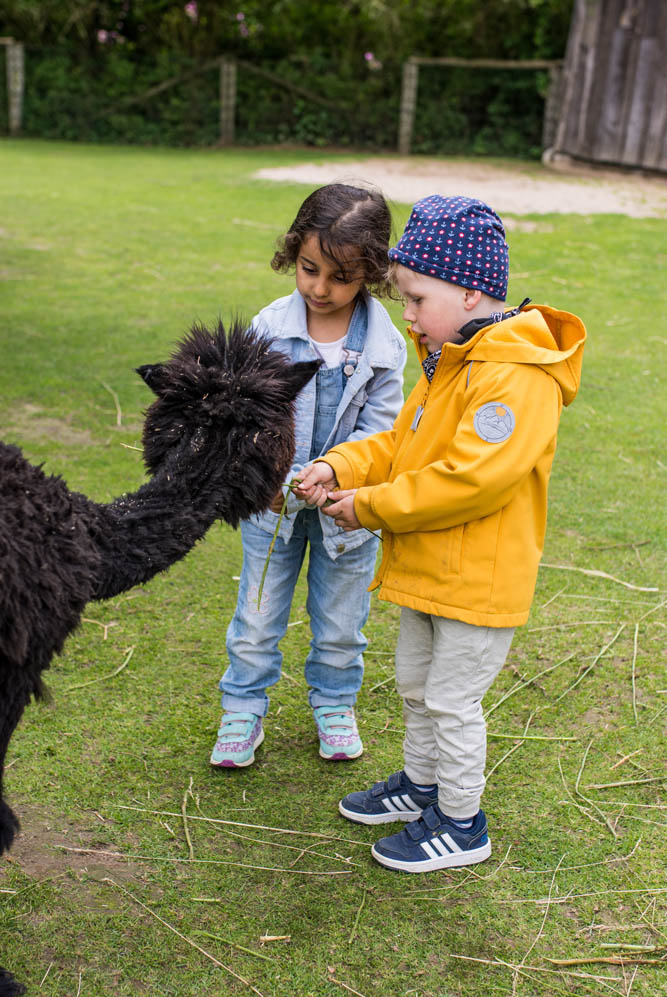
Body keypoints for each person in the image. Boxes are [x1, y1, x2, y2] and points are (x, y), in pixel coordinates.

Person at [295, 194, 586, 872]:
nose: (408, 313)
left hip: (476, 578)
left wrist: (369, 506)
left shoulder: (513, 378)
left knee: (452, 702)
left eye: (416, 297)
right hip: (431, 567)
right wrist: (339, 464)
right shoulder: (449, 355)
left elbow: (469, 480)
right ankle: (421, 788)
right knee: (415, 687)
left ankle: (460, 823)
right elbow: (402, 443)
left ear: (469, 290)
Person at [210, 183, 407, 769]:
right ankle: (242, 707)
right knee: (257, 613)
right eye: (308, 269)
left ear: (370, 275)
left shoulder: (384, 346)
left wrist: (337, 479)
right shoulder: (268, 327)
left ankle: (335, 704)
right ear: (293, 254)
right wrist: (260, 474)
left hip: (346, 508)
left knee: (344, 619)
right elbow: (242, 413)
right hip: (270, 504)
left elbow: (382, 433)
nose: (320, 289)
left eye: (340, 277)